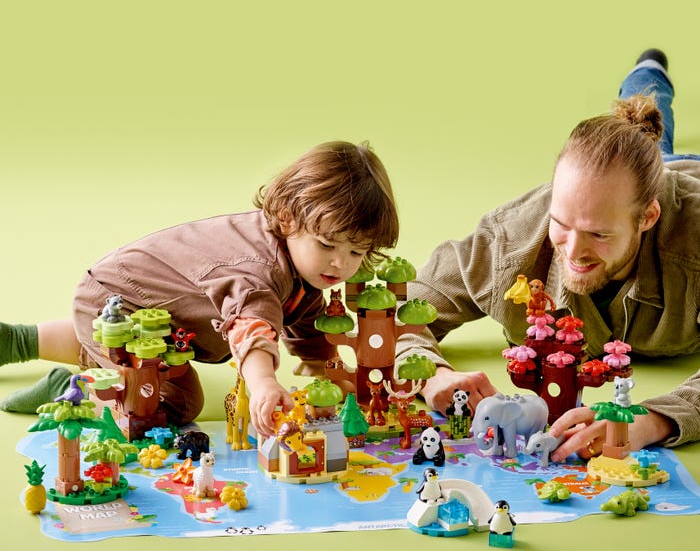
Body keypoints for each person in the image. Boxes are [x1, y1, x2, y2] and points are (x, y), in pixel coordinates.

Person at [395, 49, 700, 462]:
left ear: (648, 217)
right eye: (562, 223)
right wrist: (432, 374)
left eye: (598, 233)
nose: (573, 252)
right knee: (645, 134)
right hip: (636, 180)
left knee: (659, 145)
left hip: (688, 178)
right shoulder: (509, 243)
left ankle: (649, 82)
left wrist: (655, 419)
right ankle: (648, 72)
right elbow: (400, 308)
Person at [1, 140, 400, 437]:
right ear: (287, 218)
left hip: (122, 297)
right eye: (327, 245)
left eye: (356, 251)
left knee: (123, 349)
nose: (340, 264)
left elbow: (307, 319)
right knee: (178, 402)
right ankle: (72, 392)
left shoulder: (304, 266)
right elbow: (252, 325)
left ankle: (19, 340)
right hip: (119, 306)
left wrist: (323, 363)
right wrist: (263, 382)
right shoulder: (258, 271)